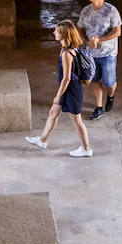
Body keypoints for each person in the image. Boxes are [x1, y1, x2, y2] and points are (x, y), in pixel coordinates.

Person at [25, 20, 93, 157]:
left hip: (72, 91)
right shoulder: (65, 49)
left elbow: (66, 78)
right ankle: (42, 140)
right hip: (68, 89)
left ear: (63, 34)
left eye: (56, 31)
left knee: (77, 121)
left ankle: (87, 149)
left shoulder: (67, 54)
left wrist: (57, 96)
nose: (53, 32)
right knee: (53, 113)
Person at [77, 0, 121, 120]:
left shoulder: (111, 11)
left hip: (108, 52)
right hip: (91, 53)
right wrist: (86, 41)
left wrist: (100, 39)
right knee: (95, 80)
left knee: (109, 81)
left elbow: (117, 31)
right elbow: (79, 29)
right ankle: (99, 108)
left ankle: (111, 96)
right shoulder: (85, 11)